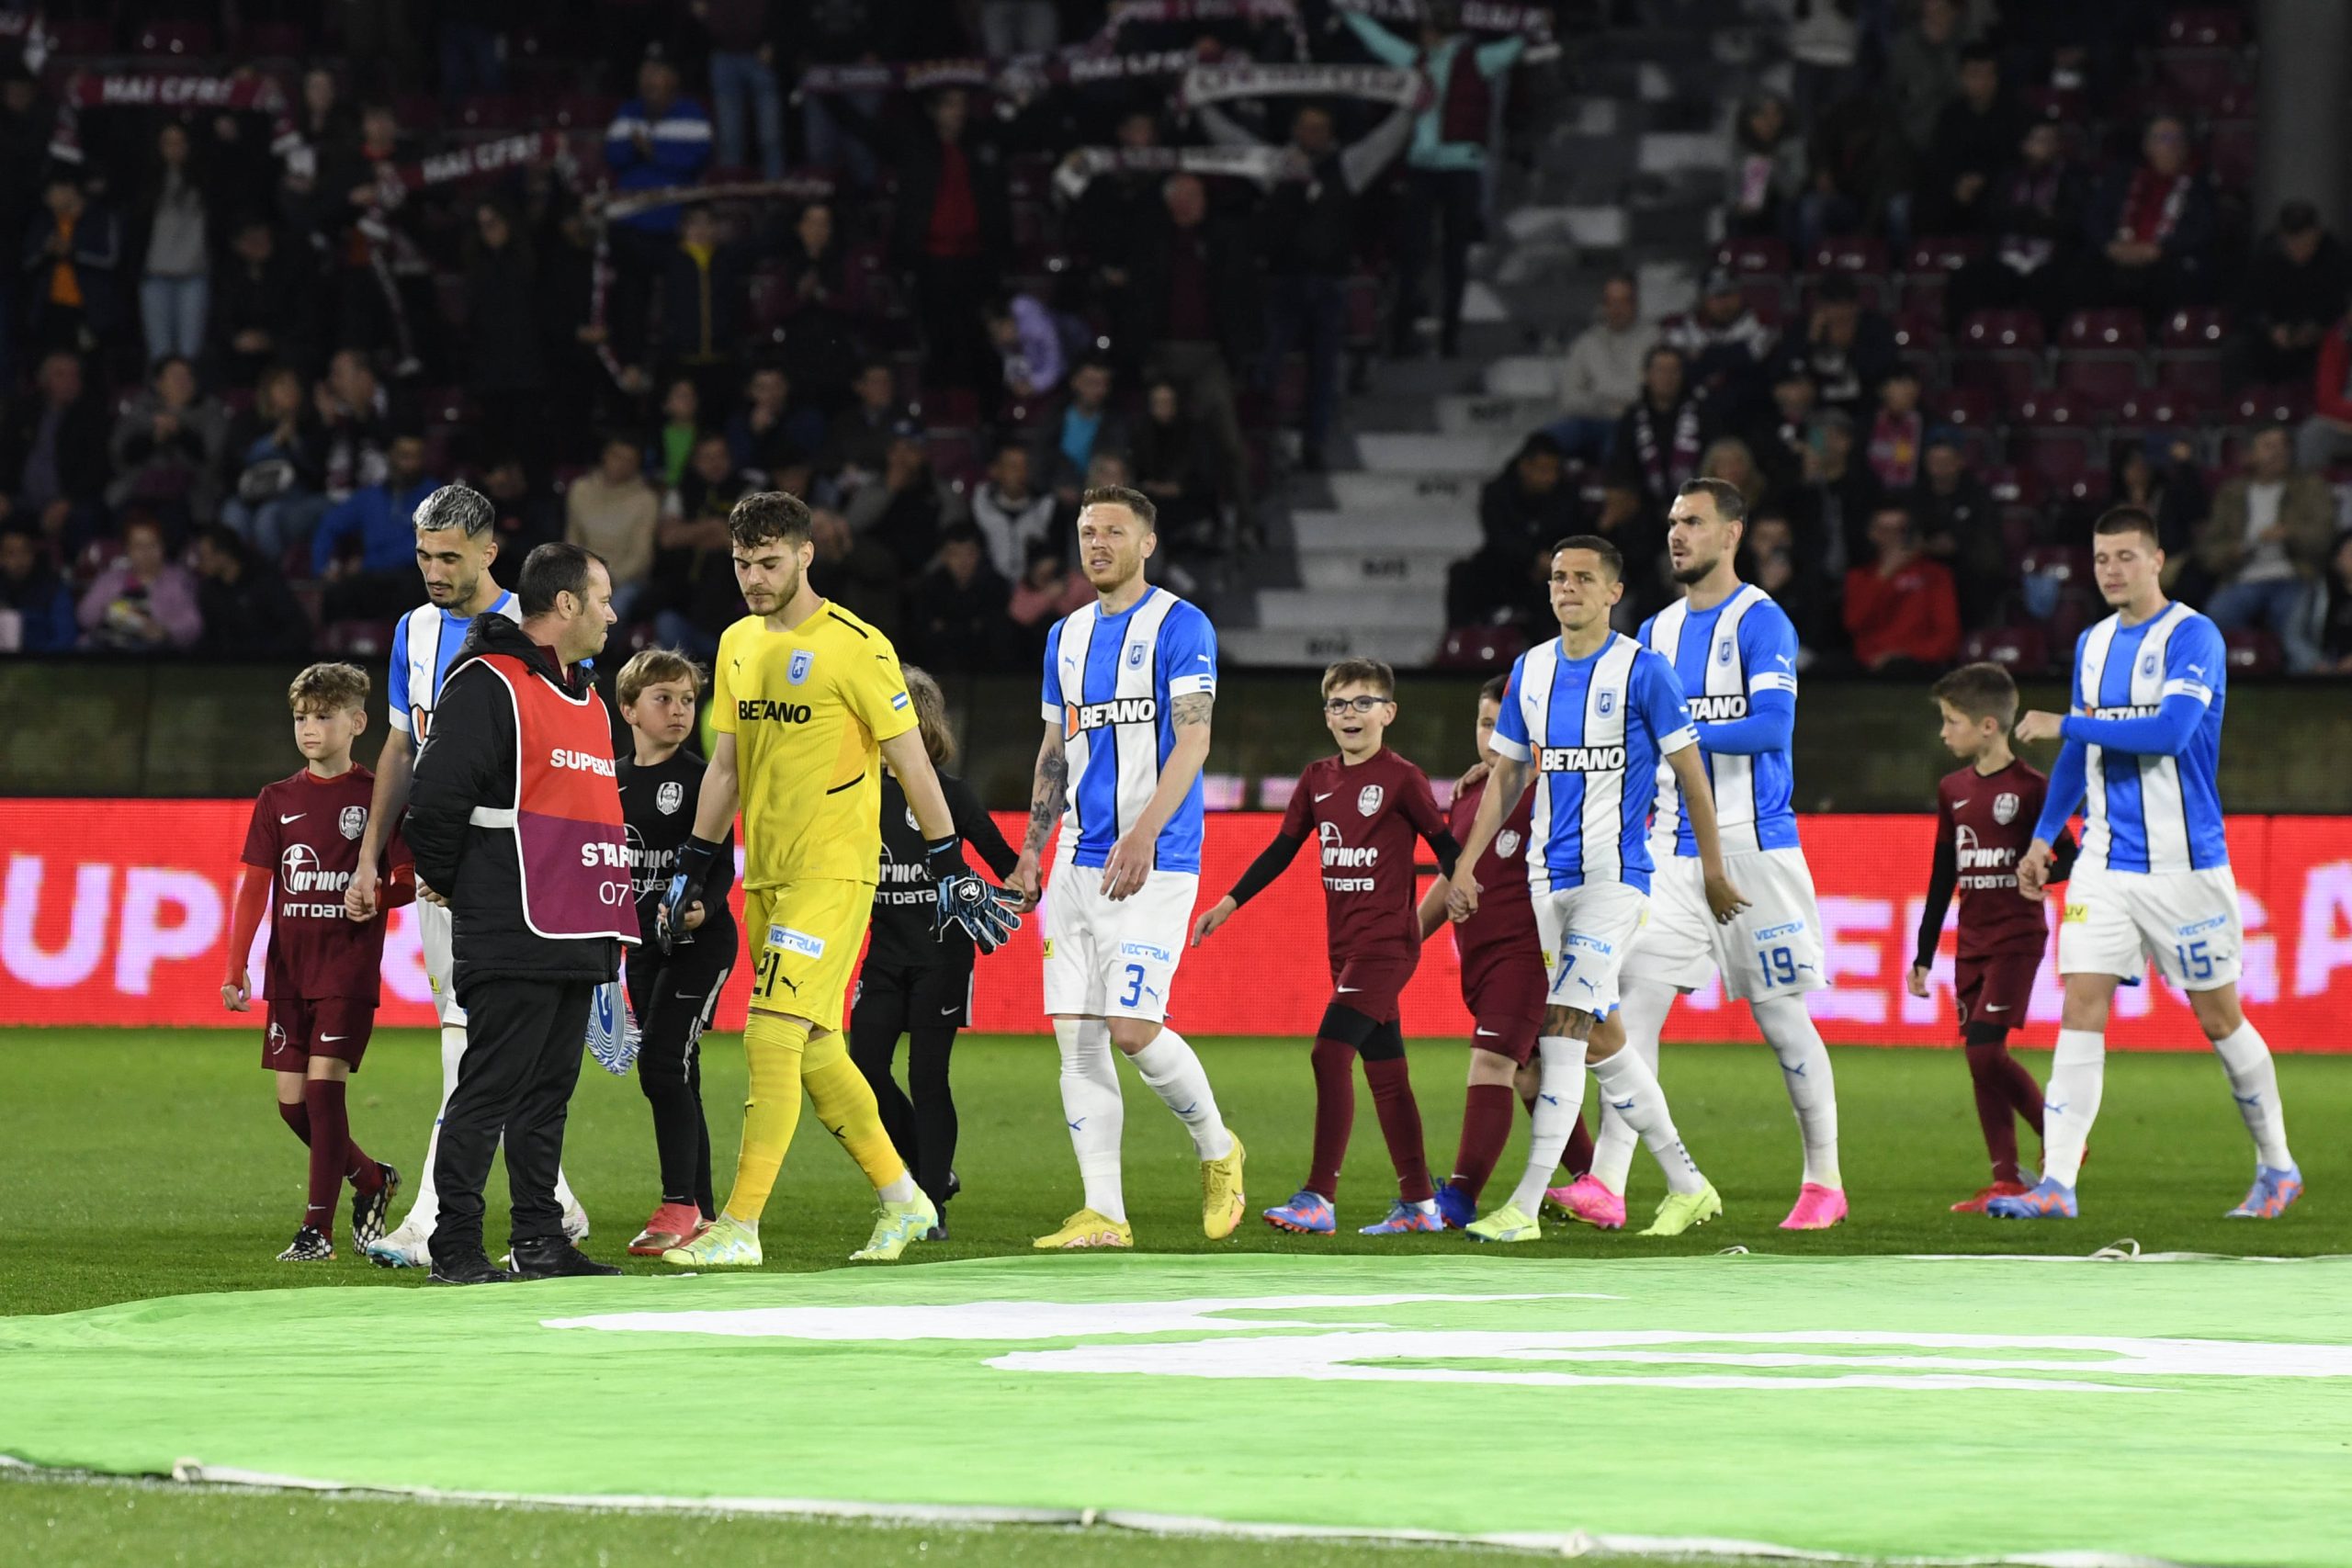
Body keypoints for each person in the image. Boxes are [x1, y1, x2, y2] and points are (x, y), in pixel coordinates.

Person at [656, 491, 1023, 1269]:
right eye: (742, 563)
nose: (754, 578)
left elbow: (913, 761)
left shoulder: (857, 645)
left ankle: (740, 1226)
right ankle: (904, 1198)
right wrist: (694, 860)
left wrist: (948, 859)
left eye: (769, 562)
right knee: (821, 1046)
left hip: (833, 872)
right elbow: (725, 765)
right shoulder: (734, 643)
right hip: (768, 875)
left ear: (806, 554)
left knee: (770, 1032)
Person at [1998, 507, 2301, 1221]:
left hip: (2183, 864)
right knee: (2081, 1001)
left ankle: (2278, 1167)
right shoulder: (2094, 643)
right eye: (2102, 558)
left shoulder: (2194, 635)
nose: (2112, 569)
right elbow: (2082, 753)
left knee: (2218, 1015)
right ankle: (2058, 1184)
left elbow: (2170, 732)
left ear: (2158, 559)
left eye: (2126, 557)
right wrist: (2046, 835)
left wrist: (2059, 721)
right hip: (2105, 861)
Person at [1564, 479, 1849, 1232]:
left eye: (1693, 522)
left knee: (1782, 1018)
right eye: (1671, 523)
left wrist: (1675, 736)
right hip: (1670, 852)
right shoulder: (1653, 633)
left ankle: (1824, 1180)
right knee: (1634, 1006)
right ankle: (1607, 1184)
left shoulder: (1762, 621)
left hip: (1754, 846)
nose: (1677, 534)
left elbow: (1771, 727)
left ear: (1732, 535)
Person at [1447, 534, 1736, 1243]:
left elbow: (1692, 772)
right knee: (1605, 1037)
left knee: (1563, 1033)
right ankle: (1688, 1184)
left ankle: (1525, 1203)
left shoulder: (1644, 671)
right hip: (1551, 880)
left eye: (1583, 578)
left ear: (1613, 592)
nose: (1567, 588)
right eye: (1557, 577)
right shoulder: (1530, 670)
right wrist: (1466, 864)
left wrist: (1713, 866)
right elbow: (1506, 773)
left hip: (1617, 881)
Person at [345, 484, 590, 1269]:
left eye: (450, 555)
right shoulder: (413, 631)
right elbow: (401, 747)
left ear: (491, 551)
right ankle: (549, 1204)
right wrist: (371, 853)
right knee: (477, 1037)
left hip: (518, 868)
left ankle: (434, 1218)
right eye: (423, 555)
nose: (433, 570)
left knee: (478, 1040)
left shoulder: (536, 626)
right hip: (442, 863)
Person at [1007, 485, 1247, 1249]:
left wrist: (1145, 831)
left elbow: (1195, 740)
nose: (1097, 542)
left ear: (1147, 542)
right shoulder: (1065, 636)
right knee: (1076, 1037)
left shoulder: (1182, 624)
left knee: (1135, 1028)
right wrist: (1030, 850)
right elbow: (1053, 751)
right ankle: (1104, 1212)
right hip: (1077, 861)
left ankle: (1218, 1147)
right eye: (1087, 531)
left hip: (1156, 859)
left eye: (1114, 530)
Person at [404, 541, 632, 1284]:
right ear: (564, 605)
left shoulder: (588, 696)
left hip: (575, 925)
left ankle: (538, 1238)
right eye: (602, 598)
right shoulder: (486, 683)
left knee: (546, 1095)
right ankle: (456, 1245)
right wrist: (464, 887)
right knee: (491, 1088)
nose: (611, 612)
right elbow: (433, 801)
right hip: (515, 923)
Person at [1192, 659, 1460, 1235]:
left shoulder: (1402, 778)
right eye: (1339, 705)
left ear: (1389, 712)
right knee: (1387, 1074)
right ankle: (1419, 1204)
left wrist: (1460, 887)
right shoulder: (1318, 779)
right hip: (1344, 949)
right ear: (1326, 716)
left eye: (1364, 703)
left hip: (1387, 945)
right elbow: (1281, 851)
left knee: (1328, 1054)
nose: (1350, 714)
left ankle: (1318, 1196)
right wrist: (1227, 904)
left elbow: (1445, 843)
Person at [222, 662, 411, 1262]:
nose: (309, 727)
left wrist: (376, 895)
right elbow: (254, 886)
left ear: (357, 721)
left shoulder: (375, 797)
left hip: (347, 967)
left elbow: (406, 878)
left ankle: (316, 1231)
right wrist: (235, 966)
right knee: (292, 1103)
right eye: (302, 717)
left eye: (324, 716)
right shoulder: (277, 799)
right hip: (290, 969)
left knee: (325, 1094)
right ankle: (371, 1178)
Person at [1416, 675, 1600, 1227]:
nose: (1493, 736)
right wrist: (1407, 937)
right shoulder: (1472, 793)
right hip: (1481, 953)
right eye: (1484, 724)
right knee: (1532, 1075)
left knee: (1493, 1063)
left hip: (1529, 954)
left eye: (1504, 726)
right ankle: (1596, 1187)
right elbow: (1453, 877)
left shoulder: (1550, 788)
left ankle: (1462, 1197)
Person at [850, 665, 1022, 1236]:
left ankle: (931, 1206)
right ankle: (933, 1171)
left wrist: (1006, 892)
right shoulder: (856, 796)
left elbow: (1011, 873)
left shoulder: (950, 795)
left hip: (943, 957)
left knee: (928, 1075)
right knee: (862, 1068)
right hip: (882, 957)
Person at [1908, 661, 2075, 1212]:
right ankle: (2005, 1178)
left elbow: (2067, 855)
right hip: (1972, 941)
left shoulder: (2032, 789)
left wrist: (2041, 872)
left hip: (2017, 937)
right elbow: (1942, 874)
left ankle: (2061, 1148)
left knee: (1984, 1052)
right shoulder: (1951, 789)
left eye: (1951, 721)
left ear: (1986, 725)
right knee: (1980, 1055)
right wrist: (1924, 953)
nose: (1943, 732)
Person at [614, 649, 735, 1257]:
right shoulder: (610, 781)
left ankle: (678, 1203)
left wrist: (702, 909)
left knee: (661, 1063)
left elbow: (720, 863)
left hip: (700, 944)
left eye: (688, 699)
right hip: (641, 948)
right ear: (629, 707)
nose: (680, 710)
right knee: (679, 1071)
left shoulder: (702, 776)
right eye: (664, 698)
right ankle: (705, 1212)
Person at [1341, 0, 1525, 358]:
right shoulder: (1421, 60)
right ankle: (1413, 337)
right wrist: (1349, 11)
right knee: (1420, 255)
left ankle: (1441, 339)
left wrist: (1534, 24)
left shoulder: (1474, 59)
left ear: (1435, 32)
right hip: (1428, 169)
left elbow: (1518, 45)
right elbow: (1377, 40)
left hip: (1457, 169)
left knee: (1444, 257)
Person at [2197, 425, 2333, 673]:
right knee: (2217, 615)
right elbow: (2209, 549)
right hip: (2241, 578)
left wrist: (2290, 534)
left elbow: (2325, 538)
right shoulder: (2231, 493)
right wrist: (2234, 551)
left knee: (2292, 628)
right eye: (2268, 446)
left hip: (2294, 576)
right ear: (2250, 455)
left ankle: (2312, 681)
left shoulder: (2310, 487)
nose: (2278, 453)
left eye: (2283, 446)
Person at [312, 431, 439, 622]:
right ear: (390, 457)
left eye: (416, 457)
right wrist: (324, 567)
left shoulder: (437, 497)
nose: (411, 464)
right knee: (336, 595)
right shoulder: (371, 496)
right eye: (405, 456)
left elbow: (423, 548)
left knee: (411, 591)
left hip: (411, 577)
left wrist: (365, 564)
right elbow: (329, 526)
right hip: (369, 578)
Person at [1547, 272, 1653, 465]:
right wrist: (1611, 404)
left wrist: (1599, 393)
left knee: (1617, 444)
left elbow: (1648, 394)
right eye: (1611, 302)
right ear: (1603, 305)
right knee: (1544, 443)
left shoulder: (1653, 340)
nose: (1616, 309)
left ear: (1635, 304)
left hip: (1637, 425)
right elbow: (1569, 398)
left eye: (1623, 301)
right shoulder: (1586, 343)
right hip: (1590, 422)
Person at [1843, 502, 1961, 674]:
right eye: (1884, 530)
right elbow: (1854, 623)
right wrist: (1884, 576)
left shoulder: (1936, 575)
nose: (1892, 538)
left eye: (1900, 530)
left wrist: (1908, 655)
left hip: (1921, 666)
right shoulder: (1859, 577)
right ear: (1872, 534)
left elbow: (1948, 635)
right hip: (1870, 666)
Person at [565, 432, 660, 627]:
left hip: (625, 579)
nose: (621, 464)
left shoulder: (646, 500)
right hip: (582, 575)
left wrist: (605, 582)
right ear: (605, 456)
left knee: (613, 608)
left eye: (629, 460)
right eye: (617, 456)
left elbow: (641, 556)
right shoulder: (580, 489)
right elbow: (572, 540)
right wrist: (581, 578)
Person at [77, 513, 201, 651]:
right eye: (138, 546)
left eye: (153, 545)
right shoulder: (110, 579)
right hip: (108, 646)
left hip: (153, 649)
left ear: (163, 546)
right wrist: (106, 609)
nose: (146, 552)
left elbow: (193, 625)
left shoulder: (177, 581)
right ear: (127, 550)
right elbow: (85, 617)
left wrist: (165, 630)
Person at [968, 439, 1055, 585]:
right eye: (1013, 466)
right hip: (986, 588)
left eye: (1025, 466)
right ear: (995, 470)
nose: (1020, 473)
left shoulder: (1047, 506)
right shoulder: (980, 506)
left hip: (1036, 591)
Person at [0, 524, 75, 651]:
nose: (19, 559)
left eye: (25, 551)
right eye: (11, 553)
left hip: (43, 661)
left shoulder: (53, 587)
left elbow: (65, 638)